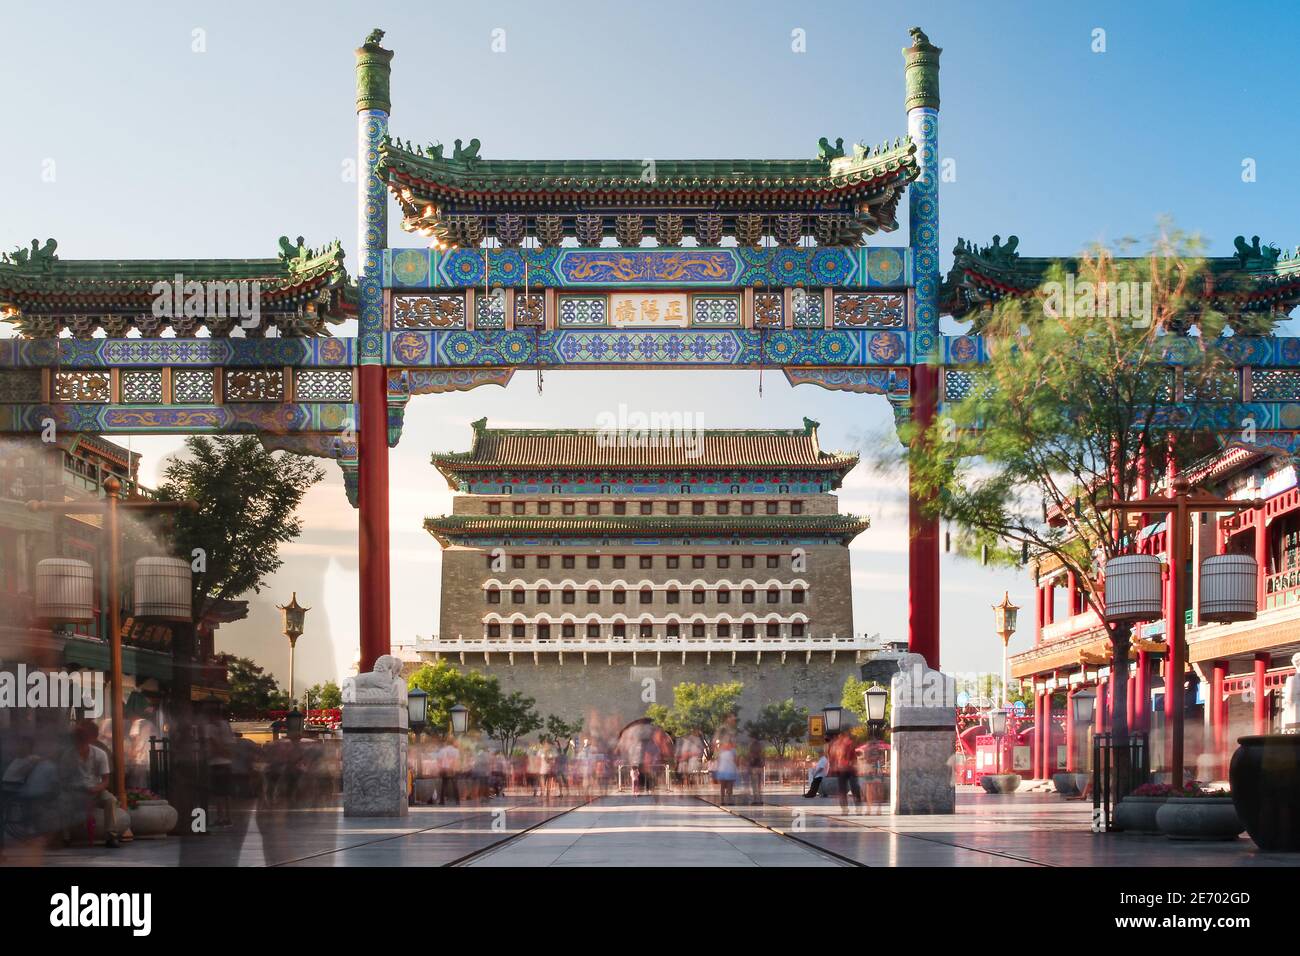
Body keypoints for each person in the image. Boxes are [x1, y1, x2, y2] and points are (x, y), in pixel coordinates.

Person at [59, 721, 121, 847]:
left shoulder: (100, 754)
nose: (80, 744)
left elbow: (105, 780)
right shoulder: (68, 755)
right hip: (75, 791)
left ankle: (111, 835)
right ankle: (66, 837)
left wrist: (97, 788)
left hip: (96, 790)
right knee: (62, 800)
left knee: (111, 800)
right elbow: (63, 778)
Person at [828, 732, 863, 813]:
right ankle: (855, 807)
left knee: (844, 789)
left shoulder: (836, 745)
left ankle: (846, 808)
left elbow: (832, 757)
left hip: (844, 769)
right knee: (853, 788)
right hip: (847, 769)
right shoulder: (844, 744)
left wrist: (833, 767)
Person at [715, 740, 738, 804]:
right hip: (724, 770)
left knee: (729, 786)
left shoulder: (732, 751)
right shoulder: (722, 751)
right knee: (723, 786)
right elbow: (718, 760)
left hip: (729, 770)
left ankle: (728, 800)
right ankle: (724, 800)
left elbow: (736, 760)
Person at [745, 739, 765, 805]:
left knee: (754, 785)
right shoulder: (760, 747)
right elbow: (763, 760)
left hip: (753, 768)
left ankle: (755, 799)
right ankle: (760, 799)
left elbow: (749, 758)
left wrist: (748, 767)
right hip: (759, 768)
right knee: (759, 785)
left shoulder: (751, 747)